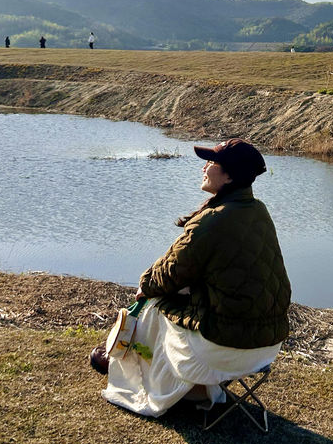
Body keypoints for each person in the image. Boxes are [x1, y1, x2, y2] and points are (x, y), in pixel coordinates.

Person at [90, 138, 291, 418]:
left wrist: (145, 287)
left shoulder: (211, 221)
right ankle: (189, 387)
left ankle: (123, 367)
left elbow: (166, 274)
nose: (204, 168)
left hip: (225, 347)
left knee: (154, 305)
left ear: (230, 176)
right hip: (267, 346)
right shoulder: (258, 210)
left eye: (212, 163)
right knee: (172, 299)